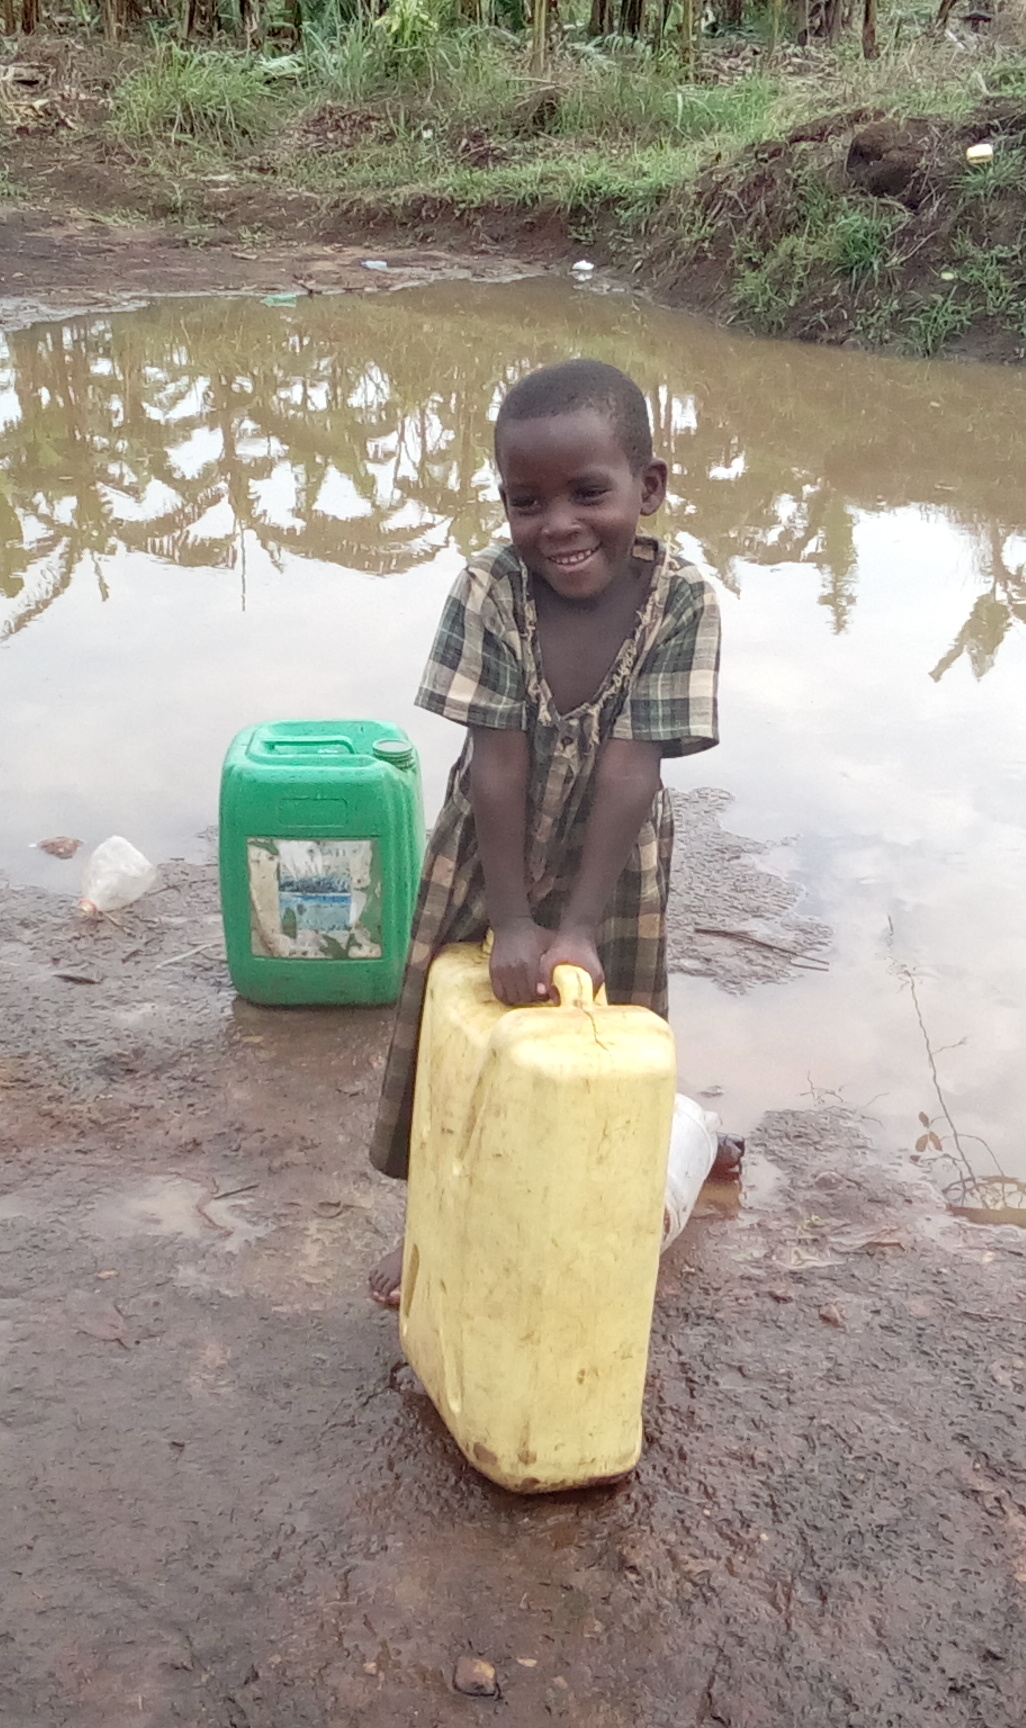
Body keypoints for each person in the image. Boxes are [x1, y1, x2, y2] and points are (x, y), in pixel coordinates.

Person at [368, 357, 722, 1306]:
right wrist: (517, 921)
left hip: (617, 862)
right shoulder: (489, 588)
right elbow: (496, 760)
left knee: (602, 1053)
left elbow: (633, 767)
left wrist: (579, 927)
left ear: (649, 488)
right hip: (488, 849)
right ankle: (433, 1229)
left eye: (588, 493)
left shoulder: (683, 601)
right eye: (527, 503)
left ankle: (580, 1232)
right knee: (456, 1046)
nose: (557, 525)